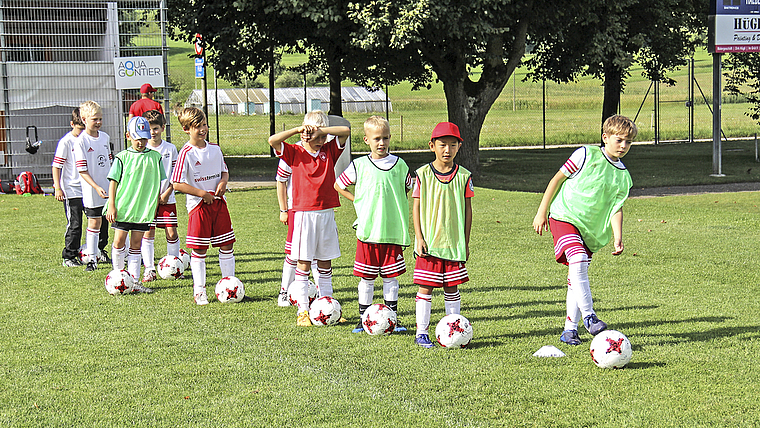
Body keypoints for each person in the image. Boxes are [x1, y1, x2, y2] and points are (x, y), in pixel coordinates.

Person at [532, 114, 637, 346]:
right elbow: (556, 180)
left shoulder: (624, 176)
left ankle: (569, 330)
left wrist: (618, 237)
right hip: (564, 216)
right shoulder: (585, 154)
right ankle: (589, 316)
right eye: (619, 140)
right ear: (605, 137)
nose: (623, 146)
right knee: (577, 260)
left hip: (590, 231)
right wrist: (542, 212)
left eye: (628, 142)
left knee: (575, 277)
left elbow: (616, 208)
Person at [267, 110, 350, 326]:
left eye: (323, 136)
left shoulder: (329, 150)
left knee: (325, 263)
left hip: (326, 213)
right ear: (305, 134)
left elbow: (345, 131)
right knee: (303, 264)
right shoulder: (294, 152)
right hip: (304, 214)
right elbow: (272, 140)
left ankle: (328, 306)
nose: (321, 140)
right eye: (317, 136)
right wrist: (297, 129)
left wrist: (322, 131)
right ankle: (303, 311)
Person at [335, 116, 412, 333]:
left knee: (391, 277)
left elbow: (408, 187)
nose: (382, 143)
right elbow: (338, 185)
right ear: (366, 140)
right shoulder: (359, 165)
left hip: (392, 232)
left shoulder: (400, 165)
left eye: (385, 138)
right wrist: (357, 200)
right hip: (368, 232)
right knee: (366, 278)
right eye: (377, 138)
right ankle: (363, 317)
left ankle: (392, 318)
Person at [412, 122, 473, 348]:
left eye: (452, 145)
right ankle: (421, 332)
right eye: (442, 145)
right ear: (432, 146)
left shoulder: (464, 176)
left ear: (459, 147)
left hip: (453, 243)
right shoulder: (422, 174)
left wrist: (464, 242)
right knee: (425, 287)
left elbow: (468, 212)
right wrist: (419, 237)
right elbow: (416, 208)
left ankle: (453, 330)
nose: (447, 150)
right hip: (430, 243)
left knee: (452, 288)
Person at [171, 107, 236, 306]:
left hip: (218, 204)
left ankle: (229, 287)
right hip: (199, 207)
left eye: (204, 125)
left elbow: (224, 172)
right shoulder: (186, 153)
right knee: (199, 249)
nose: (202, 129)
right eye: (197, 126)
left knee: (227, 245)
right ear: (186, 129)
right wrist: (202, 194)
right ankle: (199, 291)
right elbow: (177, 183)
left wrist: (223, 182)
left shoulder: (215, 149)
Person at [106, 116, 166, 293]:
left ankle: (133, 282)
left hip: (143, 209)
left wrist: (155, 202)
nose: (141, 142)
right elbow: (113, 182)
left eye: (144, 138)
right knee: (118, 242)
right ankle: (117, 277)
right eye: (137, 138)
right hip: (124, 208)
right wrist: (112, 205)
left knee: (136, 244)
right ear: (128, 136)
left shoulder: (155, 157)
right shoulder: (122, 158)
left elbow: (158, 182)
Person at [139, 109, 181, 283]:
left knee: (171, 233)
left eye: (156, 128)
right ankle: (149, 269)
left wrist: (167, 192)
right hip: (148, 201)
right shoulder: (142, 149)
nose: (153, 132)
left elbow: (176, 174)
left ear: (163, 128)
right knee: (148, 233)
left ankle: (174, 267)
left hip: (167, 198)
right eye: (150, 129)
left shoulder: (170, 149)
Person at [275, 156, 319, 307]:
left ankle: (320, 295)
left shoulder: (323, 152)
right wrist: (283, 209)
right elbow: (281, 181)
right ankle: (284, 292)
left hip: (319, 210)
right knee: (293, 254)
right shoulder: (293, 153)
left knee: (317, 255)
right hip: (297, 209)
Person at [74, 100, 113, 272]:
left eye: (100, 119)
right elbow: (82, 171)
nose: (98, 122)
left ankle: (123, 254)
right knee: (94, 222)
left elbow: (109, 163)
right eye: (94, 119)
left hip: (108, 187)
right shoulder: (80, 141)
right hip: (92, 190)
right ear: (84, 119)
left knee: (114, 220)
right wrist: (96, 187)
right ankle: (91, 259)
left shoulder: (105, 137)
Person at [52, 108, 86, 267]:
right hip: (72, 190)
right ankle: (69, 256)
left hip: (89, 189)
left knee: (98, 222)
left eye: (84, 128)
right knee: (75, 224)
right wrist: (58, 187)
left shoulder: (88, 139)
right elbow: (56, 166)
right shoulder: (66, 142)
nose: (82, 132)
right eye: (79, 129)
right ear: (72, 124)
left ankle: (98, 251)